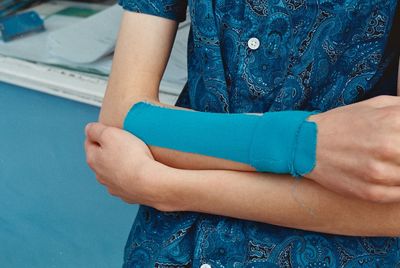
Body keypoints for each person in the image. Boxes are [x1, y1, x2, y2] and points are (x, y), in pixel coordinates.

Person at [84, 0, 400, 267]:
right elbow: (124, 120)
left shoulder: (155, 183)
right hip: (170, 248)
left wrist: (162, 186)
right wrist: (303, 144)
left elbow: (392, 210)